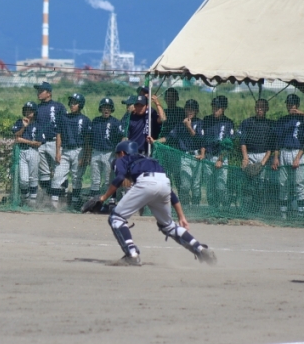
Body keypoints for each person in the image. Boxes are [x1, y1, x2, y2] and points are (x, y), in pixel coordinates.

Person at [89, 140, 217, 266]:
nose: (117, 157)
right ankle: (200, 249)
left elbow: (120, 177)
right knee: (168, 226)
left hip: (145, 184)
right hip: (164, 184)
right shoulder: (149, 160)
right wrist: (181, 216)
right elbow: (171, 193)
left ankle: (132, 255)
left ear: (122, 153)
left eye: (117, 154)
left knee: (116, 218)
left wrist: (103, 198)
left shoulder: (122, 159)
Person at [272, 94, 304, 219]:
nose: (290, 107)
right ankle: (283, 214)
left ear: (297, 105)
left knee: (299, 183)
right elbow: (277, 140)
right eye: (288, 104)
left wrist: (298, 157)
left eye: (292, 104)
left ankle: (300, 214)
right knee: (283, 183)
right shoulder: (282, 120)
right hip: (284, 152)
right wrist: (276, 157)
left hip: (297, 152)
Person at [151, 99, 205, 206]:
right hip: (184, 156)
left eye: (192, 109)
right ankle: (185, 206)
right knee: (185, 185)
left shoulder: (200, 123)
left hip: (197, 155)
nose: (190, 111)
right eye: (188, 109)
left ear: (196, 111)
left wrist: (189, 127)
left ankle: (196, 207)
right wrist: (156, 141)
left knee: (196, 185)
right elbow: (169, 137)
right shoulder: (180, 124)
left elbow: (200, 140)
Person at [51, 93, 91, 208]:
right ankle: (53, 204)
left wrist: (85, 156)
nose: (72, 105)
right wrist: (58, 152)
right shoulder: (63, 118)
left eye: (75, 103)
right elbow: (59, 135)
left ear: (80, 105)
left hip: (79, 150)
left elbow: (88, 140)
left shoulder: (85, 120)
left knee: (76, 178)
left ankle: (75, 202)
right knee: (57, 175)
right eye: (71, 103)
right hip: (65, 150)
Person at [238, 98, 275, 212]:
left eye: (262, 107)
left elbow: (272, 145)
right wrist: (245, 157)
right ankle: (247, 208)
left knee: (261, 184)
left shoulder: (270, 124)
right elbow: (242, 141)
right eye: (257, 107)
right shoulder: (247, 122)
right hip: (249, 155)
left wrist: (263, 162)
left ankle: (260, 209)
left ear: (267, 109)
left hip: (263, 156)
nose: (259, 109)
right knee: (248, 184)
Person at [88, 97, 124, 205]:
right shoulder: (95, 121)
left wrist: (118, 154)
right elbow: (90, 138)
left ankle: (110, 200)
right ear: (101, 109)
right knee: (95, 179)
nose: (106, 110)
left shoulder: (115, 122)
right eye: (104, 107)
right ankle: (94, 201)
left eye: (108, 108)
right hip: (96, 152)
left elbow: (121, 138)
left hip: (109, 153)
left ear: (111, 109)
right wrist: (89, 154)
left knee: (108, 179)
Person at [33, 81, 67, 195]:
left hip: (55, 141)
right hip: (41, 143)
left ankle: (62, 194)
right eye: (38, 91)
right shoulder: (36, 108)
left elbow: (64, 124)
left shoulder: (58, 106)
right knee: (44, 172)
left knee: (59, 169)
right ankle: (46, 196)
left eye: (41, 91)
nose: (38, 93)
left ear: (49, 93)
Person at [201, 95, 235, 209]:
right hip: (208, 157)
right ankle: (213, 209)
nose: (215, 110)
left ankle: (225, 207)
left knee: (221, 186)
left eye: (218, 108)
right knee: (210, 187)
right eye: (214, 107)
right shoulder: (207, 120)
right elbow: (203, 140)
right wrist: (203, 153)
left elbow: (229, 144)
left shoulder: (228, 122)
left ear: (223, 108)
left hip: (221, 157)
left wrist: (220, 159)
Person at [12, 101, 41, 201]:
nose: (28, 112)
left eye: (30, 110)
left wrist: (24, 140)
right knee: (23, 180)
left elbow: (38, 143)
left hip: (33, 152)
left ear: (35, 112)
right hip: (22, 151)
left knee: (33, 178)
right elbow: (16, 136)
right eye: (26, 110)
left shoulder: (38, 124)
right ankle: (26, 199)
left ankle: (33, 200)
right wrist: (24, 126)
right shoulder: (19, 122)